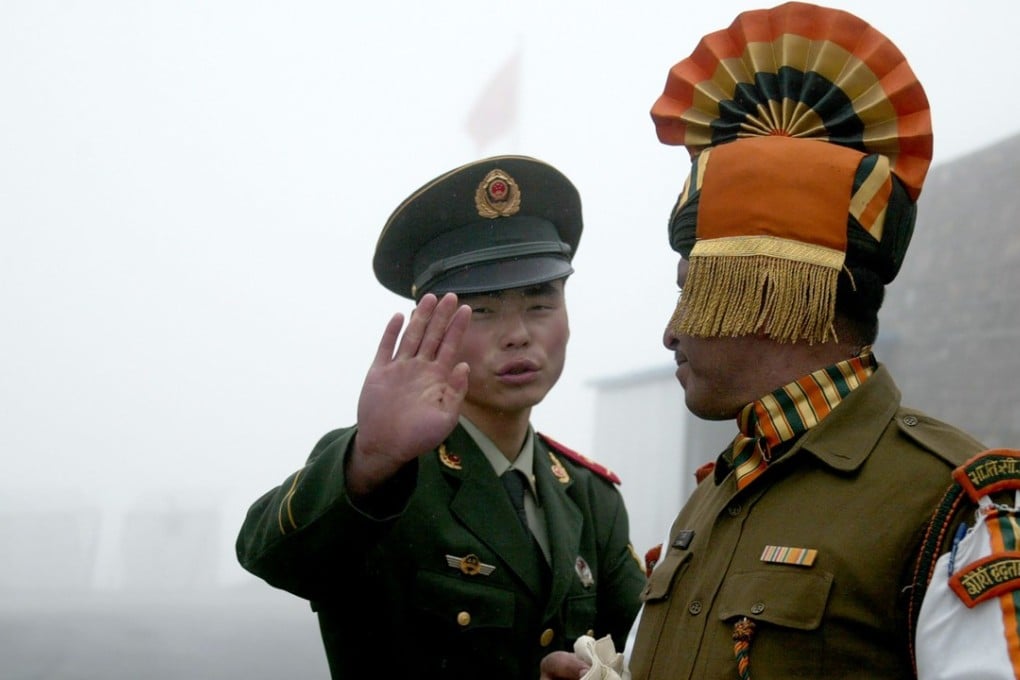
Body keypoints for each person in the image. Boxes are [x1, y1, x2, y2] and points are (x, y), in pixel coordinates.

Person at [538, 2, 990, 678]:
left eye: (692, 289)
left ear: (766, 287)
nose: (670, 331)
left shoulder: (953, 507)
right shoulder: (716, 493)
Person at [235, 155, 646, 679]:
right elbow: (267, 553)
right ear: (433, 326)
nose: (518, 333)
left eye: (541, 303)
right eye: (484, 309)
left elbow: (650, 641)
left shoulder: (590, 498)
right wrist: (371, 458)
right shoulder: (385, 473)